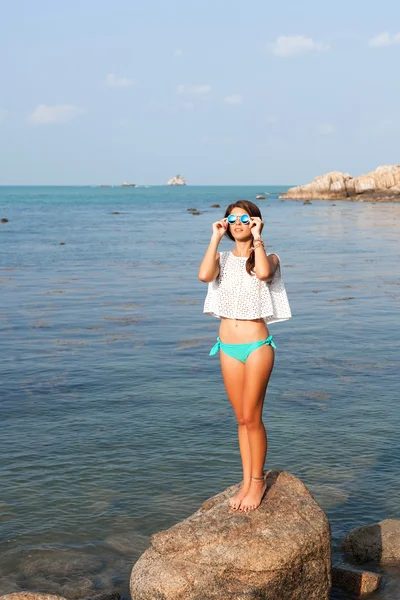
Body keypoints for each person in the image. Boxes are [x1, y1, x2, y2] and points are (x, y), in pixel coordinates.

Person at [198, 200, 292, 513]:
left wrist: (259, 238)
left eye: (245, 218)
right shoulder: (221, 259)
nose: (238, 223)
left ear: (255, 222)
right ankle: (246, 481)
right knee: (240, 419)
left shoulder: (270, 257)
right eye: (232, 219)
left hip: (256, 347)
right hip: (227, 347)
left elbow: (264, 273)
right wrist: (214, 237)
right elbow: (203, 275)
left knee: (253, 416)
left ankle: (258, 481)